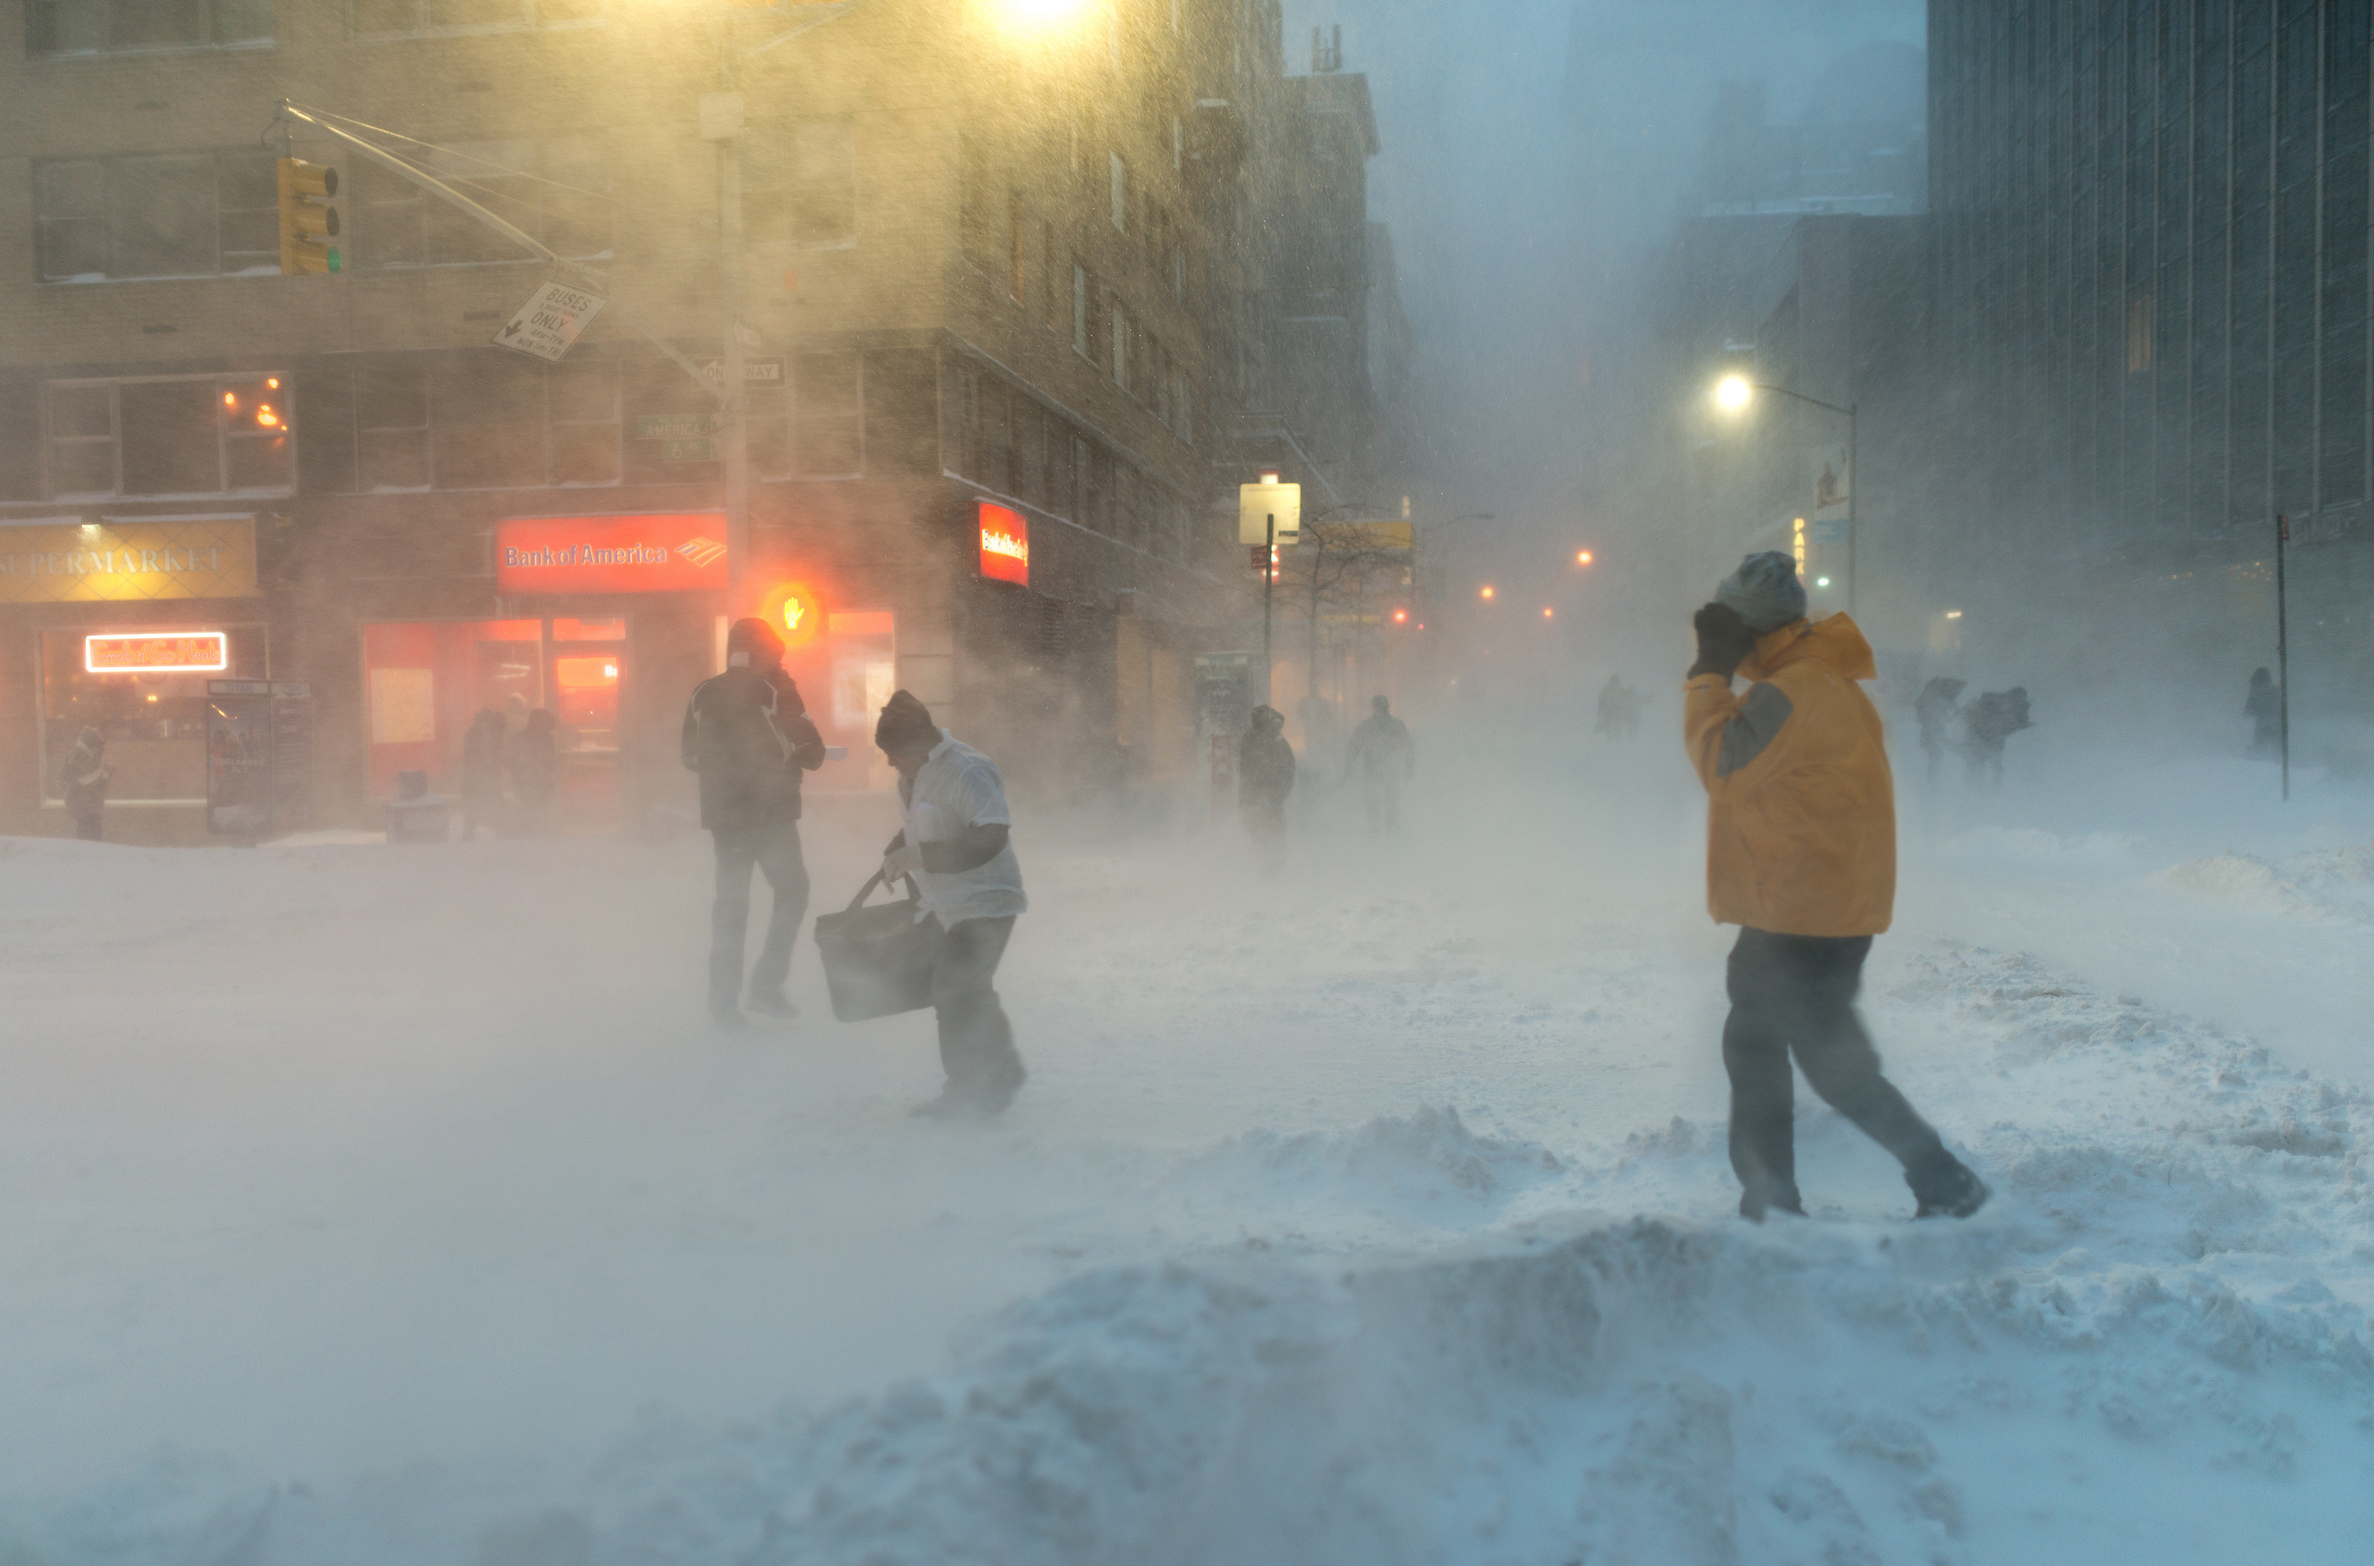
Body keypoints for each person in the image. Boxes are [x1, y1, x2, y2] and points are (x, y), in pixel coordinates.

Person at [1684, 551, 1988, 1223]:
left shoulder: (1792, 691)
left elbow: (1723, 766)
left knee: (1764, 1049)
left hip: (1797, 910)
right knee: (1824, 1055)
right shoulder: (1820, 680)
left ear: (1748, 629)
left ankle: (1774, 1197)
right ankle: (1936, 1177)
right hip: (1824, 905)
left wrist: (1708, 673)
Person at [874, 690, 1029, 1119]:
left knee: (956, 989)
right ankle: (994, 1076)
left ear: (920, 741)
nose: (890, 763)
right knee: (964, 991)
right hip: (945, 905)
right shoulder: (914, 773)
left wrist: (921, 857)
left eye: (894, 753)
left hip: (986, 901)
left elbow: (991, 836)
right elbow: (923, 824)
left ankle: (973, 1089)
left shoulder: (967, 771)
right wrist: (897, 852)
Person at [681, 617, 827, 1027]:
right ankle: (766, 985)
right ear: (764, 653)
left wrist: (724, 771)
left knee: (730, 906)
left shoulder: (702, 692)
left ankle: (722, 1003)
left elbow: (689, 757)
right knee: (793, 890)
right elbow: (810, 750)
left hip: (725, 819)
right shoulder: (774, 690)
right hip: (770, 815)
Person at [1344, 694, 1416, 837]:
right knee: (1379, 806)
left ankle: (1386, 835)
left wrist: (1409, 766)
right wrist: (1349, 765)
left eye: (1382, 707)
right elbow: (1353, 746)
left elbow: (1408, 747)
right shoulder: (1389, 725)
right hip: (1379, 773)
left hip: (1383, 773)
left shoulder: (1373, 726)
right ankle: (1381, 835)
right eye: (1380, 707)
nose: (1381, 710)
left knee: (1385, 806)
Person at [1237, 704, 1296, 873]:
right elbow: (1288, 771)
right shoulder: (1271, 742)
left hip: (1249, 800)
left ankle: (1262, 871)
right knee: (1273, 836)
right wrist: (1276, 796)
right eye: (1272, 723)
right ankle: (1270, 872)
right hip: (1266, 800)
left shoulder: (1250, 738)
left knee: (1259, 836)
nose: (1276, 727)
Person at [1959, 687, 2033, 791]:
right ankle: (1991, 791)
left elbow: (2003, 727)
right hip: (1990, 741)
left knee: (1982, 764)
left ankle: (1978, 790)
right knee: (1992, 766)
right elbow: (2005, 728)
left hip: (1985, 740)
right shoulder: (2003, 710)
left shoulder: (1996, 709)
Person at [459, 709, 507, 840]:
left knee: (474, 806)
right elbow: (497, 755)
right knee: (496, 805)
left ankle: (468, 835)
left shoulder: (472, 732)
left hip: (474, 776)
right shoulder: (491, 734)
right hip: (487, 776)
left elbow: (469, 755)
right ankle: (500, 833)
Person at [507, 708, 559, 832]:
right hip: (528, 780)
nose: (547, 727)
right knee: (532, 805)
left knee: (535, 805)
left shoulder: (545, 738)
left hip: (537, 780)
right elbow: (510, 760)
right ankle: (533, 830)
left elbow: (548, 759)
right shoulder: (524, 739)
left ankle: (534, 830)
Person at [58, 725, 112, 842]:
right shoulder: (77, 754)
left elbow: (100, 786)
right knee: (88, 830)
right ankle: (85, 853)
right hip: (80, 800)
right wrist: (99, 761)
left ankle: (89, 854)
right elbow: (86, 773)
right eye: (97, 743)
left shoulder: (96, 758)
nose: (100, 748)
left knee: (94, 829)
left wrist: (106, 774)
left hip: (92, 803)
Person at [1913, 677, 1966, 789]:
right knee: (1936, 758)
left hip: (1933, 735)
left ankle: (1933, 783)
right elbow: (1938, 722)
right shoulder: (1939, 703)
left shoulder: (1937, 702)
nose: (1957, 693)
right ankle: (1933, 784)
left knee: (1935, 758)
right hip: (1934, 735)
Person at [2245, 667, 2282, 757]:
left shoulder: (2256, 694)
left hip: (2264, 726)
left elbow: (2248, 712)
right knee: (2277, 755)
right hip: (2276, 726)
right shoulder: (2276, 691)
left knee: (2260, 755)